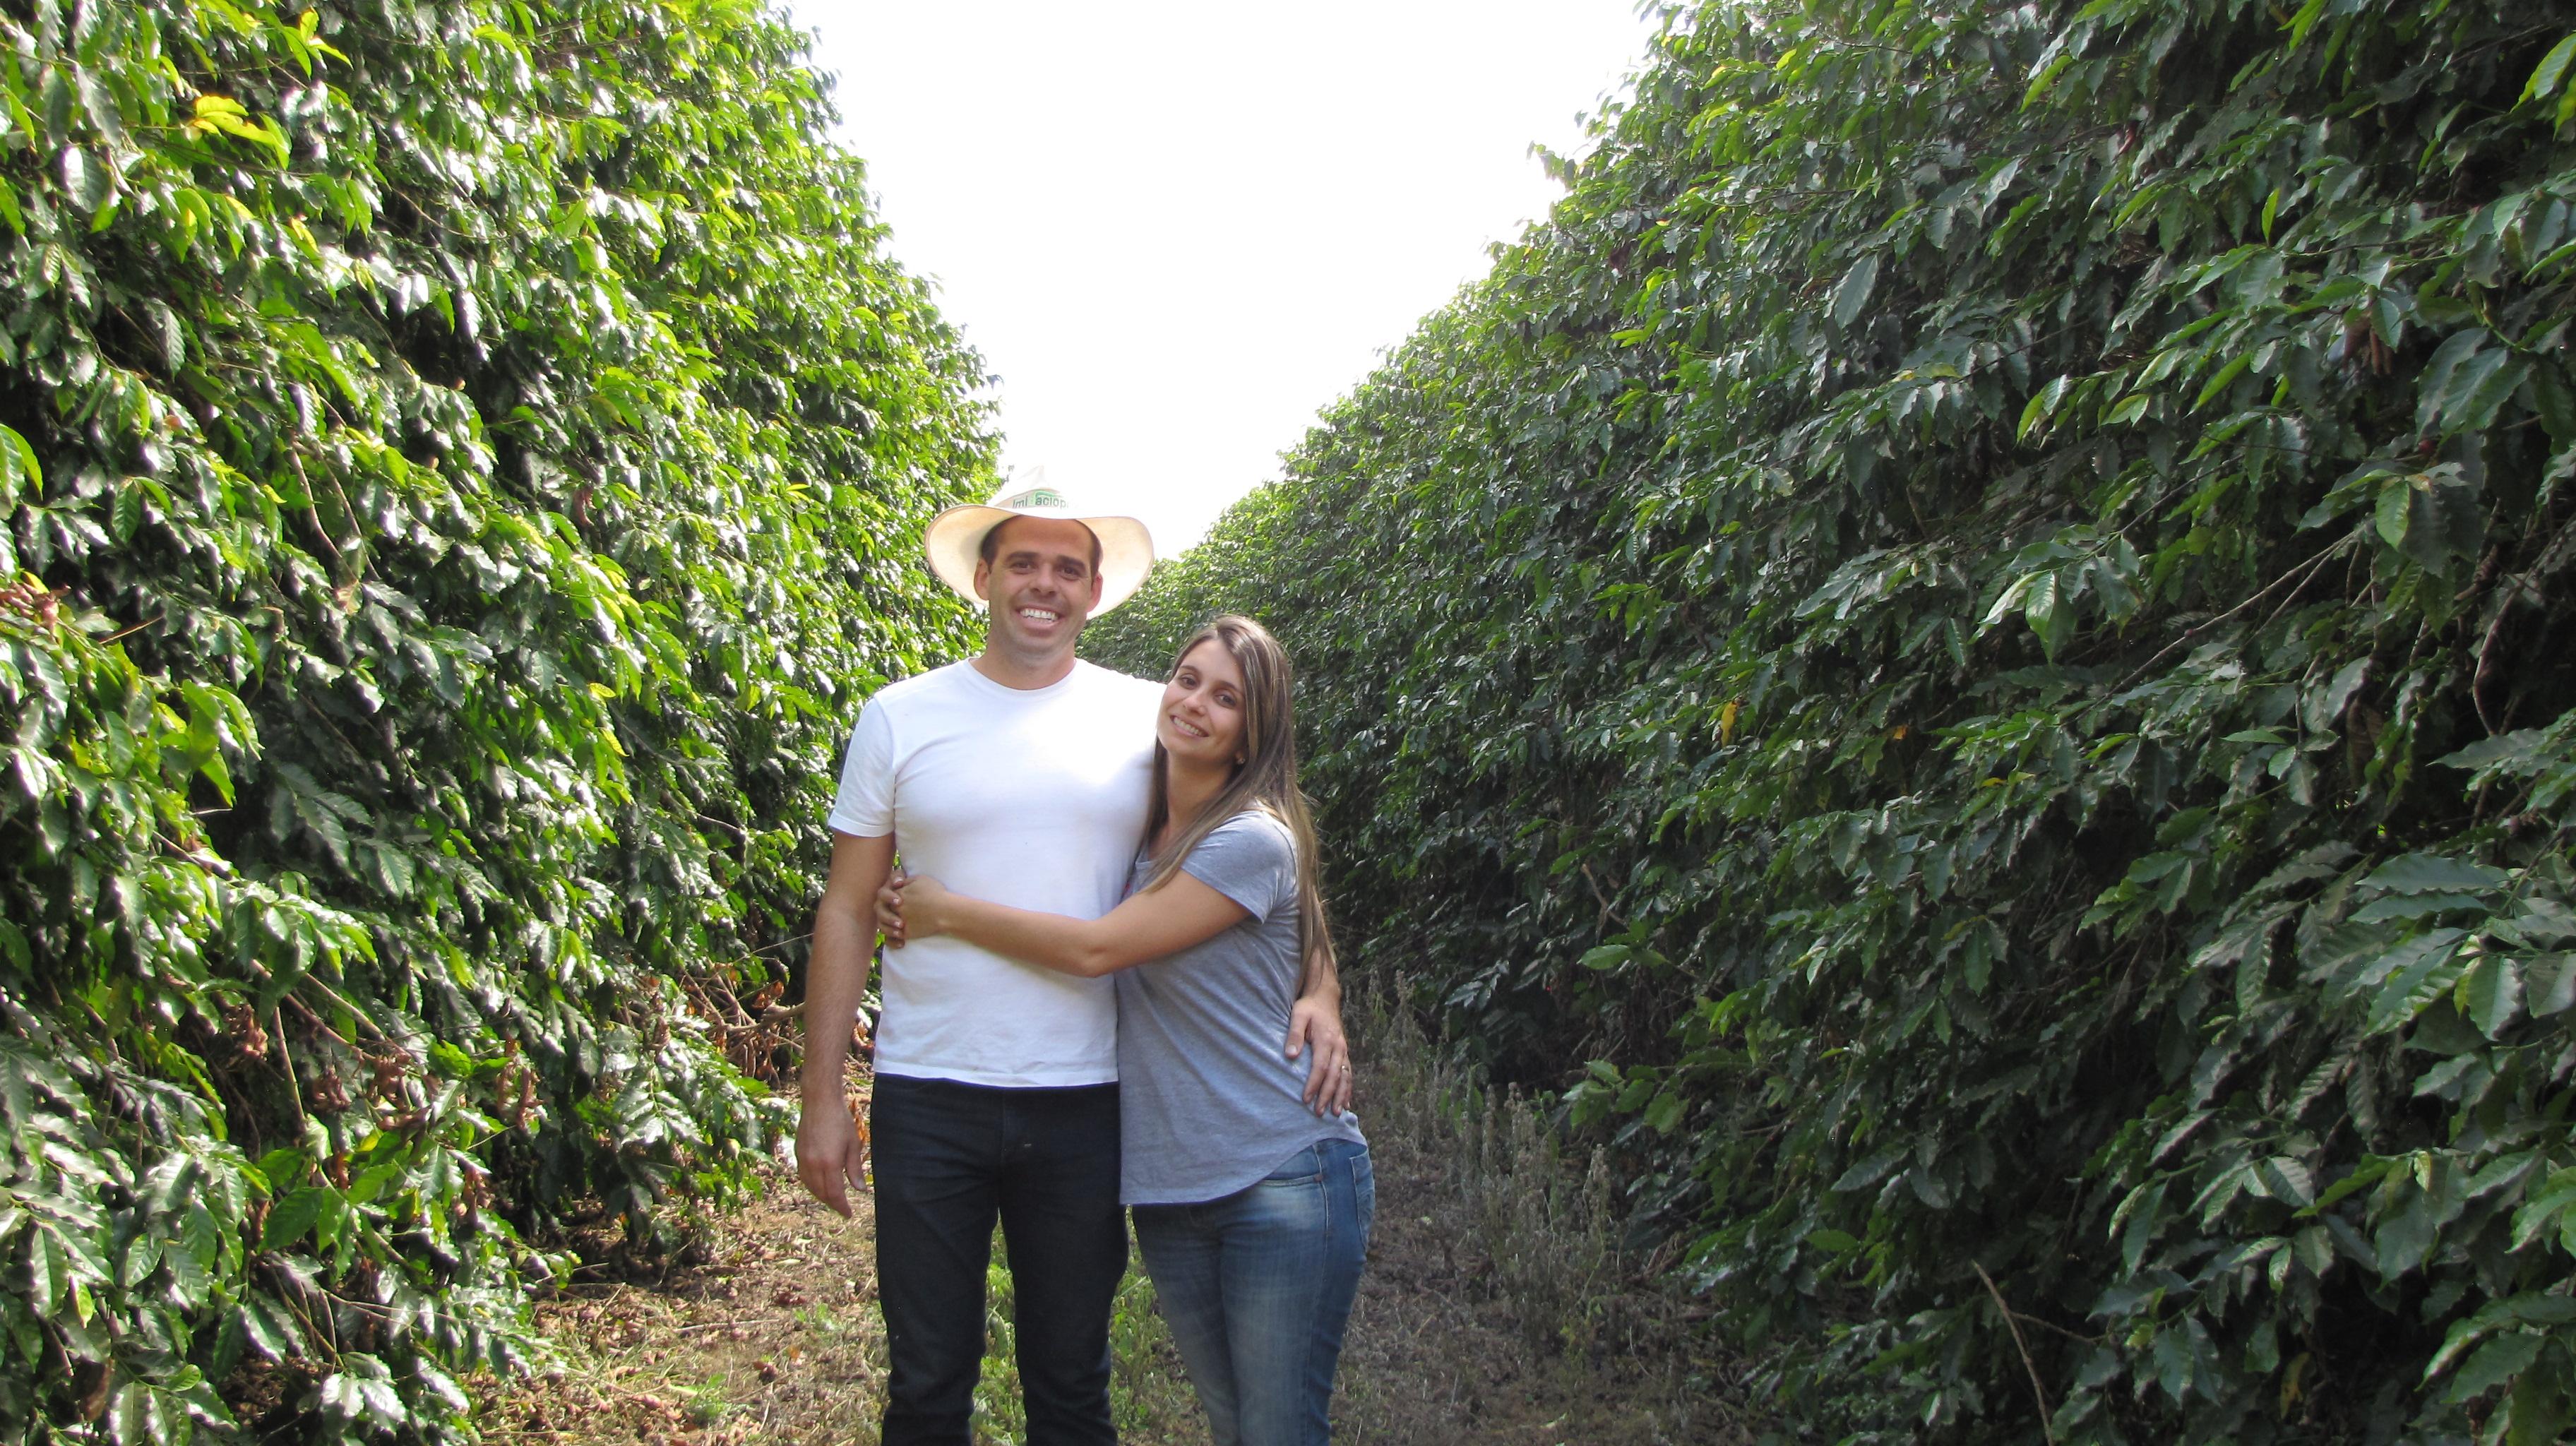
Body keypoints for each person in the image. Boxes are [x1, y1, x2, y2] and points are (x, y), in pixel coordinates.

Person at [794, 484, 1351, 1446]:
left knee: (1070, 1385)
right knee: (927, 1383)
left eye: (1067, 568)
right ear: (983, 578)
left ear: (1095, 592)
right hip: (930, 1088)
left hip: (1090, 1096)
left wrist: (1323, 985)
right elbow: (846, 908)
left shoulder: (1149, 717)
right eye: (1023, 563)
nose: (1043, 586)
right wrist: (821, 1098)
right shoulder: (900, 716)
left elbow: (1267, 847)